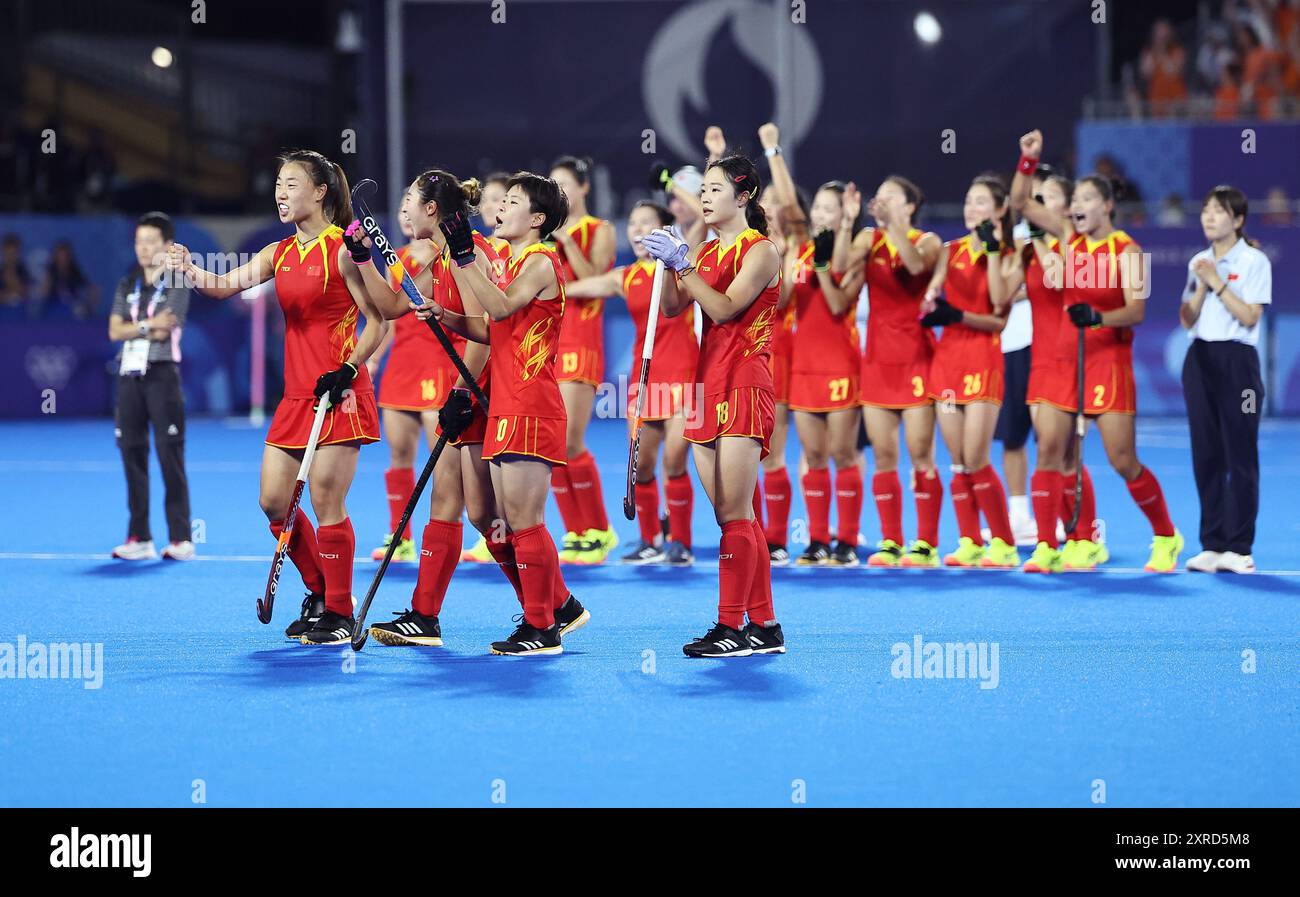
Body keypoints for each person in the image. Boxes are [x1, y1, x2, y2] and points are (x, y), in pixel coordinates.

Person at [168, 149, 389, 643]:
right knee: (273, 502)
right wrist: (189, 268)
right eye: (278, 185)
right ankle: (318, 590)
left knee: (327, 500)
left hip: (340, 394)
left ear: (320, 191)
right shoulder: (280, 252)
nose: (280, 194)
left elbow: (379, 320)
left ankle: (339, 609)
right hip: (295, 398)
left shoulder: (341, 249)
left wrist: (351, 368)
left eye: (291, 184)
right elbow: (224, 286)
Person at [349, 169, 527, 645]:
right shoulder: (437, 254)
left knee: (487, 515)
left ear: (431, 208)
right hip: (465, 387)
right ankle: (426, 616)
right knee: (452, 506)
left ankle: (549, 605)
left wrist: (463, 395)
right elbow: (390, 307)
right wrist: (364, 257)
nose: (403, 207)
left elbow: (484, 332)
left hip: (484, 390)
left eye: (410, 198)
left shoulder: (468, 255)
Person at [425, 172, 589, 656]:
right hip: (506, 406)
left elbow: (498, 308)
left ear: (537, 219)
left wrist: (463, 257)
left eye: (513, 202)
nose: (500, 208)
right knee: (507, 519)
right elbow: (490, 328)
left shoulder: (540, 261)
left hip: (532, 406)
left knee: (525, 521)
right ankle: (546, 615)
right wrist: (446, 314)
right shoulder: (515, 261)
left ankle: (542, 628)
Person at [1014, 131, 1182, 573]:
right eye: (1076, 200)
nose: (1077, 206)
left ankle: (1166, 535)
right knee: (1054, 453)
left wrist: (1099, 318)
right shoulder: (1068, 236)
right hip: (1068, 363)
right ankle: (1052, 545)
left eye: (1086, 198)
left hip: (1109, 362)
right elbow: (1021, 205)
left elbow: (1138, 310)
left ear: (1106, 205)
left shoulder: (1131, 251)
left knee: (1122, 460)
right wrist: (1027, 160)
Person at [644, 154, 784, 658]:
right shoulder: (702, 250)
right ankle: (764, 625)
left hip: (745, 384)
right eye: (700, 189)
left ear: (743, 197)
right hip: (706, 388)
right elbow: (675, 308)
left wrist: (684, 264)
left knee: (735, 510)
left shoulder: (761, 251)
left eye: (714, 189)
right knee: (733, 516)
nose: (703, 197)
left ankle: (730, 626)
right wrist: (670, 263)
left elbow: (725, 308)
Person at [566, 201, 700, 566]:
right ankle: (649, 539)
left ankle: (681, 542)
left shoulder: (682, 268)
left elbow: (701, 227)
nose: (638, 231)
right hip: (645, 381)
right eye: (634, 224)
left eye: (647, 224)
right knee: (640, 467)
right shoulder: (626, 277)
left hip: (684, 376)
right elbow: (576, 287)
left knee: (675, 461)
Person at [833, 176, 943, 568]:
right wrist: (847, 223)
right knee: (883, 456)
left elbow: (914, 266)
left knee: (920, 455)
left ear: (910, 206)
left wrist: (892, 225)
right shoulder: (868, 238)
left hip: (916, 359)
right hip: (877, 361)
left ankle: (926, 543)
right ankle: (892, 541)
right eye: (880, 196)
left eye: (892, 197)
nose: (882, 201)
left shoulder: (928, 242)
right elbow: (839, 266)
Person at [767, 137, 863, 567]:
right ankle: (819, 539)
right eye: (819, 208)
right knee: (816, 456)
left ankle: (846, 540)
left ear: (845, 214)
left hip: (840, 361)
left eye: (832, 208)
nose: (823, 214)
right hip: (804, 364)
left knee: (843, 453)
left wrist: (843, 228)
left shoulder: (852, 245)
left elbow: (838, 275)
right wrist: (774, 153)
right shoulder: (799, 247)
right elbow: (784, 299)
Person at [1007, 150, 1103, 572]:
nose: (1038, 205)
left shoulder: (1070, 240)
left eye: (1048, 198)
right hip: (1042, 356)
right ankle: (1047, 543)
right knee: (1046, 449)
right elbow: (1005, 294)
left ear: (1066, 208)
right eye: (1037, 199)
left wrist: (1040, 241)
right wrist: (1026, 161)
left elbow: (1061, 277)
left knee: (1069, 454)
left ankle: (1084, 535)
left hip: (1077, 355)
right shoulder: (1029, 243)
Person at [922, 174, 1019, 568]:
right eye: (968, 201)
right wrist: (930, 303)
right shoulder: (950, 250)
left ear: (999, 211)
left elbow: (997, 313)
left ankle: (1004, 542)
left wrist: (993, 253)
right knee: (959, 459)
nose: (971, 208)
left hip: (983, 359)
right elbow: (933, 291)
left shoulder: (1012, 256)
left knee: (978, 458)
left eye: (981, 202)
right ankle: (970, 540)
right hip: (947, 361)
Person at [1180, 185, 1271, 574]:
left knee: (1240, 451)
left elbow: (1250, 316)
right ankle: (1213, 543)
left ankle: (1239, 546)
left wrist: (1217, 281)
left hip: (1239, 363)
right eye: (1205, 211)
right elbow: (1186, 318)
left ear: (1237, 220)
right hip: (1199, 359)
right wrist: (1202, 283)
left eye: (1218, 211)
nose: (1209, 217)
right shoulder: (1199, 261)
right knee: (1206, 453)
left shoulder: (1254, 261)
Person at [108, 212, 194, 561]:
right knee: (131, 452)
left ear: (167, 246)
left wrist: (138, 326)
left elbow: (165, 330)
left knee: (168, 452)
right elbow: (114, 330)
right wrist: (146, 325)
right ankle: (140, 536)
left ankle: (181, 538)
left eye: (151, 242)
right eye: (139, 242)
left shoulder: (177, 281)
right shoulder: (127, 284)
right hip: (129, 374)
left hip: (161, 374)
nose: (143, 249)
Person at [548, 155, 619, 565]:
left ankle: (599, 529)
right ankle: (577, 532)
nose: (559, 193)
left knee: (570, 441)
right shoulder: (542, 236)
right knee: (551, 445)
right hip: (548, 345)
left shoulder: (600, 231)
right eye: (552, 187)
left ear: (584, 188)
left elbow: (594, 278)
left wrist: (567, 239)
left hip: (582, 342)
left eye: (565, 185)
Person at [365, 207, 441, 563]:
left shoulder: (447, 256)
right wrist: (373, 360)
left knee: (442, 461)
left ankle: (446, 535)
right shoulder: (396, 259)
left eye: (413, 205)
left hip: (439, 364)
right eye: (401, 208)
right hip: (402, 366)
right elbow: (388, 317)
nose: (405, 215)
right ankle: (401, 535)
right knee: (399, 455)